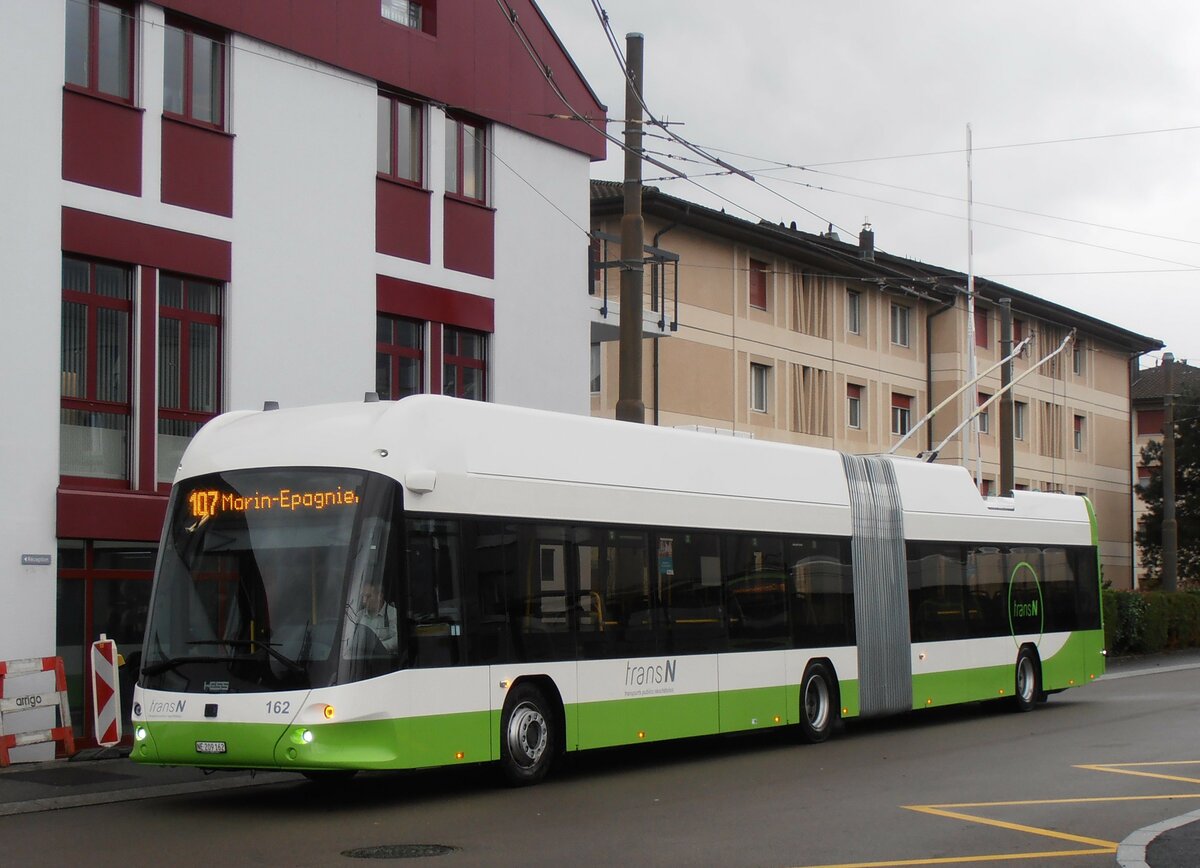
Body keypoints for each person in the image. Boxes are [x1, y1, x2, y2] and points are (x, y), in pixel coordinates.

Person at [349, 580, 398, 654]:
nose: (364, 601)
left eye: (368, 596)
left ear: (380, 596)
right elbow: (351, 639)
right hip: (361, 660)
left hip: (385, 660)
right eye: (363, 596)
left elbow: (397, 639)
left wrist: (377, 648)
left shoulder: (393, 613)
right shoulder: (359, 616)